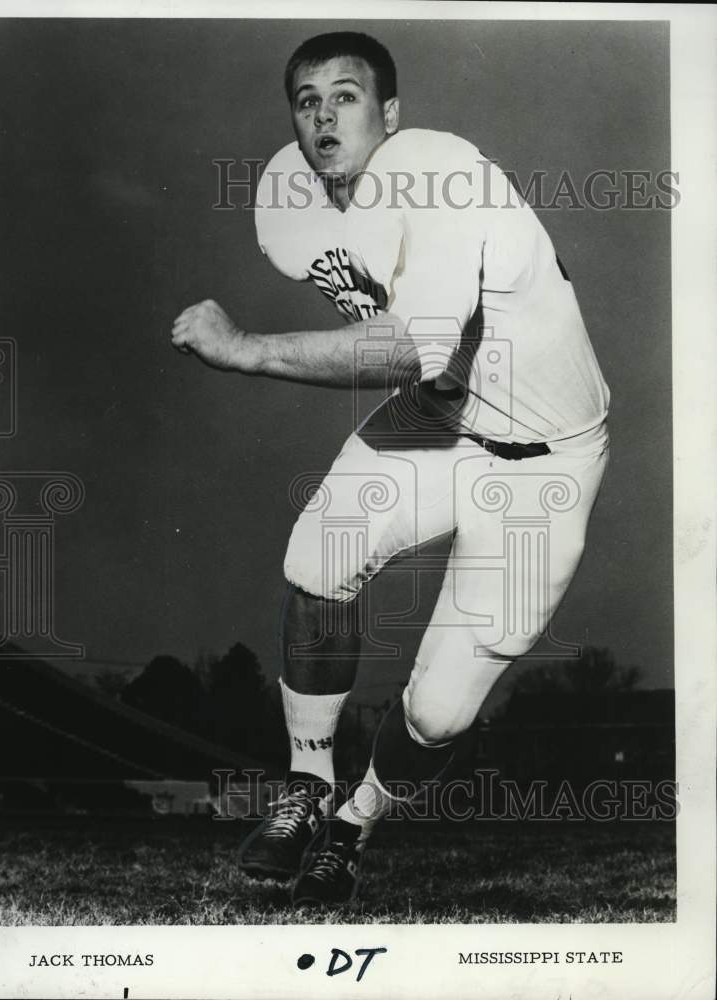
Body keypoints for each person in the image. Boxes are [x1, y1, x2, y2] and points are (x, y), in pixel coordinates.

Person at [171, 31, 610, 907]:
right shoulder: (290, 202)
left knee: (439, 713)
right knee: (317, 558)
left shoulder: (434, 167)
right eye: (306, 100)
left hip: (542, 463)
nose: (324, 115)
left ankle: (354, 824)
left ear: (392, 115)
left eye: (346, 95)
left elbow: (412, 344)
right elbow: (400, 324)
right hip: (444, 418)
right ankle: (306, 786)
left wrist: (248, 350)